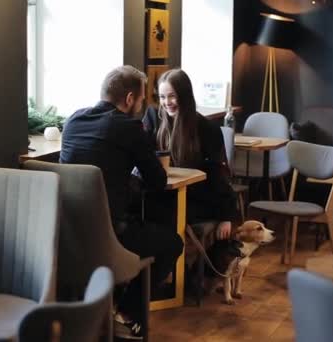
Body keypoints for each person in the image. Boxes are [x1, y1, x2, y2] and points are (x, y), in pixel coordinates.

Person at [60, 65, 183, 339]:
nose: (141, 107)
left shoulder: (72, 121)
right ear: (129, 99)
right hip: (109, 237)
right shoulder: (128, 127)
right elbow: (157, 181)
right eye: (141, 101)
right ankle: (126, 314)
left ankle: (99, 311)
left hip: (65, 236)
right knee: (172, 243)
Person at [142, 68, 238, 240]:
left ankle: (175, 264)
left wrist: (226, 217)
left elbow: (218, 174)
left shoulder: (207, 128)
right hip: (161, 192)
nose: (166, 102)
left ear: (185, 96)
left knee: (162, 214)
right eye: (162, 97)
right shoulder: (152, 118)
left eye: (172, 96)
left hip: (195, 196)